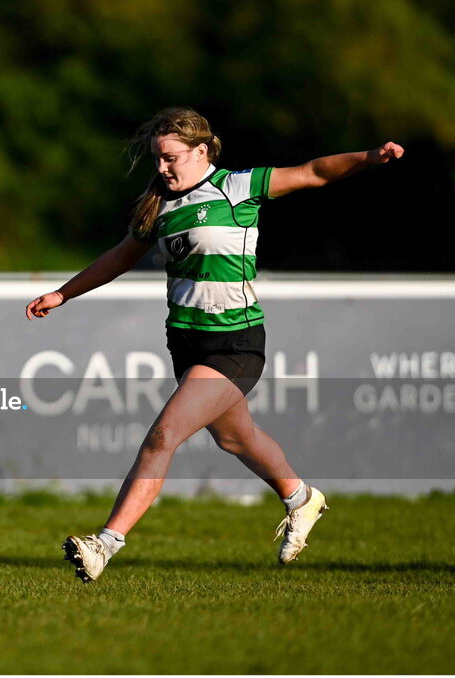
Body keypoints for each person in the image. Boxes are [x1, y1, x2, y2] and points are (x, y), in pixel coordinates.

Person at [25, 107, 404, 583]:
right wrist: (63, 293)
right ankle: (301, 498)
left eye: (171, 157)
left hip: (236, 342)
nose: (162, 168)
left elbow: (313, 172)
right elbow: (120, 257)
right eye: (157, 160)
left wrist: (370, 157)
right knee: (234, 437)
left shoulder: (237, 187)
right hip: (185, 343)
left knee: (163, 435)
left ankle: (105, 543)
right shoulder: (159, 206)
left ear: (201, 151)